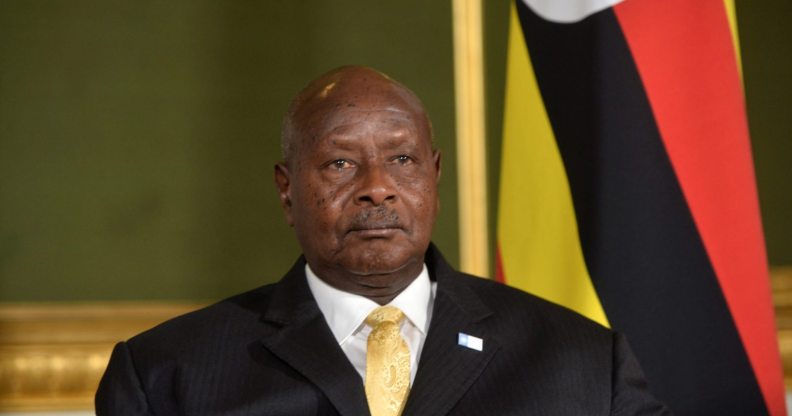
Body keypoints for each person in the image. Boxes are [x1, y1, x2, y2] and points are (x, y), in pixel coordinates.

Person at [95, 66, 670, 415]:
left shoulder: (585, 363)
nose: (377, 189)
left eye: (402, 159)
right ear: (287, 189)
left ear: (434, 176)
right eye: (341, 163)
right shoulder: (167, 376)